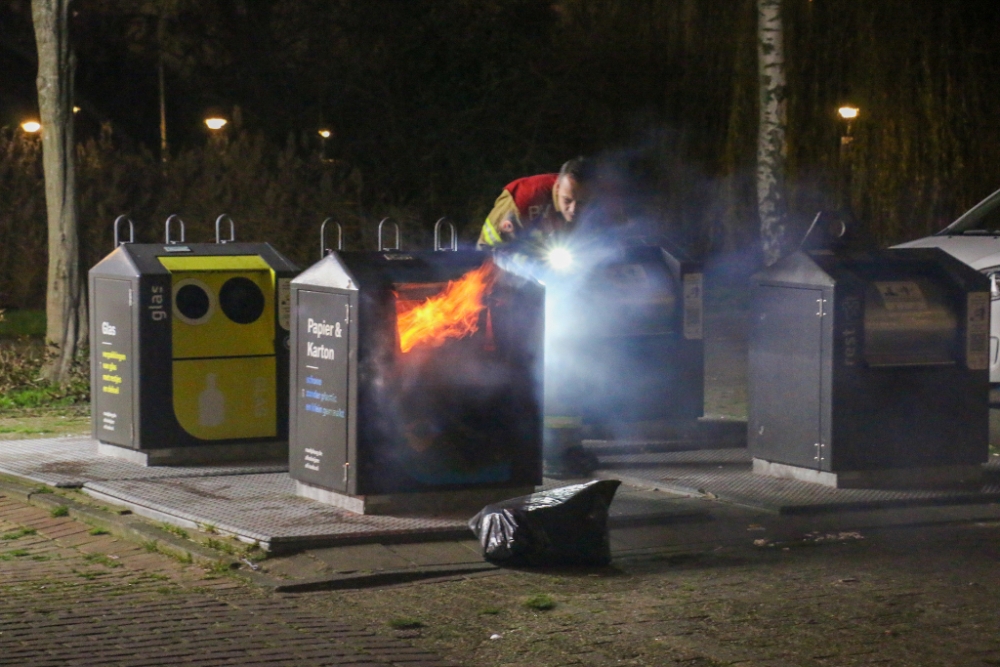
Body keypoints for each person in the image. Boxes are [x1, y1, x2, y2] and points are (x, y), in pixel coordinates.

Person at [476, 157, 592, 249]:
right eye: (567, 200)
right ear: (557, 188)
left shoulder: (599, 205)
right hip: (510, 257)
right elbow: (489, 240)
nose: (573, 209)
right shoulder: (525, 198)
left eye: (581, 203)